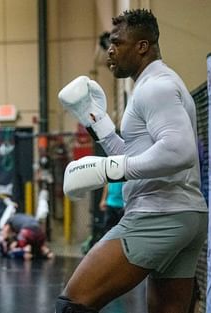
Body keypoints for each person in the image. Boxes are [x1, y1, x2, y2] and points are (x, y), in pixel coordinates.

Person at [56, 9, 207, 312]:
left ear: (142, 46)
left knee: (74, 304)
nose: (110, 50)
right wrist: (98, 124)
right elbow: (140, 157)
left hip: (158, 214)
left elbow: (179, 151)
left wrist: (110, 170)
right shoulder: (158, 84)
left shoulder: (155, 87)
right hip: (186, 214)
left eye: (117, 43)